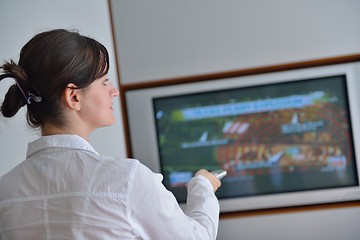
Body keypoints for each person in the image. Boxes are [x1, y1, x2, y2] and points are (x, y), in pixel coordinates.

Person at [0, 29, 221, 239]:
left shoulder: (5, 191)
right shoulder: (127, 180)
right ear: (73, 97)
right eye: (104, 81)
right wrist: (202, 187)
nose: (114, 91)